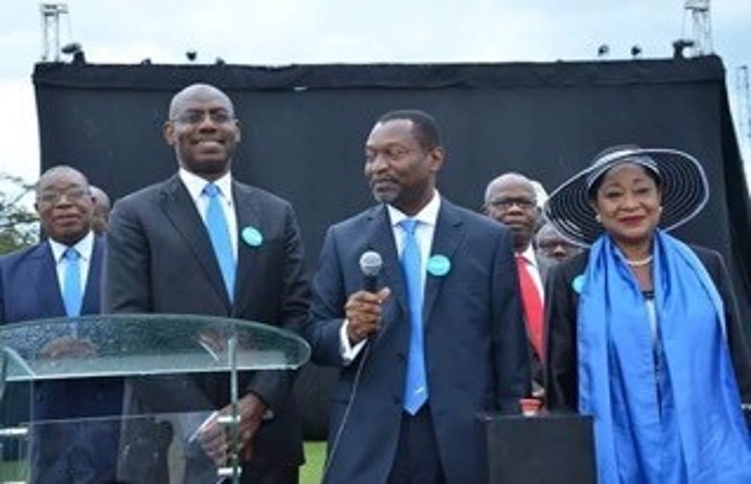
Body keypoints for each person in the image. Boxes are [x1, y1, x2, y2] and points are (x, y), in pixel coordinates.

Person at [302, 109, 530, 483]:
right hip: (371, 441)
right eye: (371, 156)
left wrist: (511, 434)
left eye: (394, 153)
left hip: (462, 438)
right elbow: (314, 333)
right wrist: (349, 331)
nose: (378, 166)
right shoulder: (343, 239)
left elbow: (510, 352)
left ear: (434, 158)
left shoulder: (487, 240)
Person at [103, 83, 309, 483]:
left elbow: (297, 315)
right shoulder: (134, 214)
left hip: (265, 439)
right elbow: (126, 326)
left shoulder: (276, 213)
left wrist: (255, 403)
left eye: (219, 116)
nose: (208, 125)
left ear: (237, 130)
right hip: (169, 444)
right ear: (170, 132)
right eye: (193, 117)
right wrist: (203, 422)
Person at [543, 145, 751, 482]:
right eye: (614, 194)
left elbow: (735, 354)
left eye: (642, 191)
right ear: (595, 206)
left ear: (659, 196)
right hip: (612, 440)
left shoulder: (705, 265)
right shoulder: (570, 276)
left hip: (706, 436)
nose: (630, 204)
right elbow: (560, 375)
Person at [0, 165, 122, 482]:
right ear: (37, 208)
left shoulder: (128, 261)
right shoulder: (8, 272)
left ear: (92, 203)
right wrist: (37, 354)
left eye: (75, 194)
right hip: (46, 435)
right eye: (51, 196)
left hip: (122, 431)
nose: (64, 203)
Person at [484, 172, 549, 399]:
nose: (514, 210)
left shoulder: (557, 272)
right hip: (501, 401)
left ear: (538, 213)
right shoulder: (472, 273)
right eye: (503, 203)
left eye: (524, 203)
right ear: (485, 212)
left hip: (563, 401)